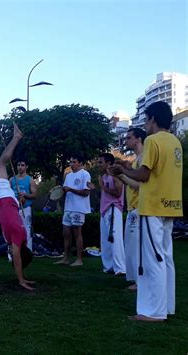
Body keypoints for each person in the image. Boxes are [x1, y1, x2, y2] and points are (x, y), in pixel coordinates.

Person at [109, 101, 183, 322]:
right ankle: (167, 306)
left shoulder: (153, 140)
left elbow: (144, 175)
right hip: (171, 204)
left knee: (153, 259)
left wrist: (122, 169)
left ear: (152, 119)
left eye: (146, 119)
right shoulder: (175, 141)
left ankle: (153, 311)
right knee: (166, 258)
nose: (145, 123)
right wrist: (128, 170)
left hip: (153, 205)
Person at [0, 123, 35, 291]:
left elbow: (4, 220)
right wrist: (21, 280)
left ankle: (16, 137)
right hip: (5, 197)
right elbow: (16, 255)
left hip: (7, 201)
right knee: (1, 164)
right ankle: (16, 137)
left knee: (0, 164)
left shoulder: (15, 236)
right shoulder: (18, 235)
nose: (11, 252)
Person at [118, 128, 146, 290]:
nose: (126, 141)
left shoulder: (143, 158)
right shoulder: (137, 159)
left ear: (138, 139)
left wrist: (122, 175)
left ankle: (139, 281)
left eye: (129, 138)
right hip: (132, 207)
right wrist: (126, 168)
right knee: (130, 245)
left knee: (137, 247)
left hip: (139, 207)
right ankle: (135, 278)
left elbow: (139, 185)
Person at [54, 155, 91, 267]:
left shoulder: (85, 174)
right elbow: (64, 191)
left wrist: (71, 189)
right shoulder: (68, 175)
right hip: (68, 208)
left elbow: (86, 192)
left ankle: (79, 260)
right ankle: (66, 258)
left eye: (74, 162)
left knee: (77, 234)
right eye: (70, 162)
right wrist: (56, 193)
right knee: (65, 234)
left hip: (78, 208)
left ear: (80, 163)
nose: (71, 164)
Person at [97, 153, 125, 275]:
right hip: (104, 210)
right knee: (105, 240)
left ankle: (120, 268)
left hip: (113, 208)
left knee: (115, 239)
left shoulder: (116, 176)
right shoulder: (103, 176)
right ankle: (109, 266)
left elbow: (118, 193)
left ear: (108, 163)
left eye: (100, 162)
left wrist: (102, 187)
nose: (98, 165)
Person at [10, 159, 37, 250]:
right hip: (14, 208)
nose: (20, 167)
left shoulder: (30, 180)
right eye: (18, 165)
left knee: (27, 230)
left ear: (26, 167)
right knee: (13, 230)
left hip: (25, 208)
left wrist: (25, 195)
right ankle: (13, 252)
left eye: (22, 165)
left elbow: (34, 195)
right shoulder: (11, 179)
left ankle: (27, 252)